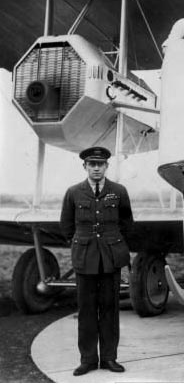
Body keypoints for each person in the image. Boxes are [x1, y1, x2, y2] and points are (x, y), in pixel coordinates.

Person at [60, 146, 133, 376]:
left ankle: (109, 359)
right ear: (85, 167)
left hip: (110, 258)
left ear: (106, 166)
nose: (96, 168)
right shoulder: (73, 192)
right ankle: (88, 360)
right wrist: (79, 243)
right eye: (92, 164)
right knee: (86, 310)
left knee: (110, 309)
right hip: (85, 258)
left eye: (100, 164)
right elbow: (66, 225)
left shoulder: (118, 191)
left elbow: (127, 223)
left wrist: (114, 242)